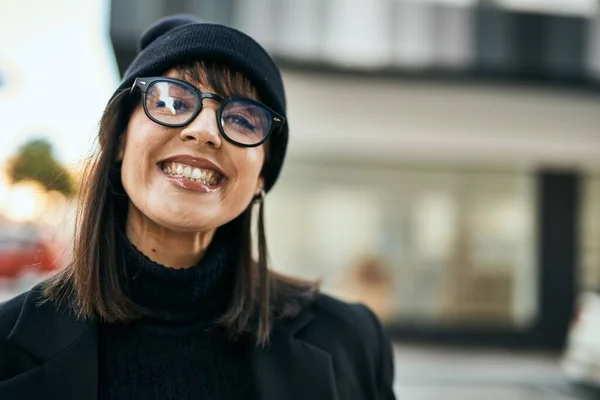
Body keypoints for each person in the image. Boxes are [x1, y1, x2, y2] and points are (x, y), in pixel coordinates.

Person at [0, 15, 396, 400]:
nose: (204, 131)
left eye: (242, 119)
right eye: (172, 101)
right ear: (120, 140)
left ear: (261, 176)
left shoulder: (351, 341)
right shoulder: (9, 346)